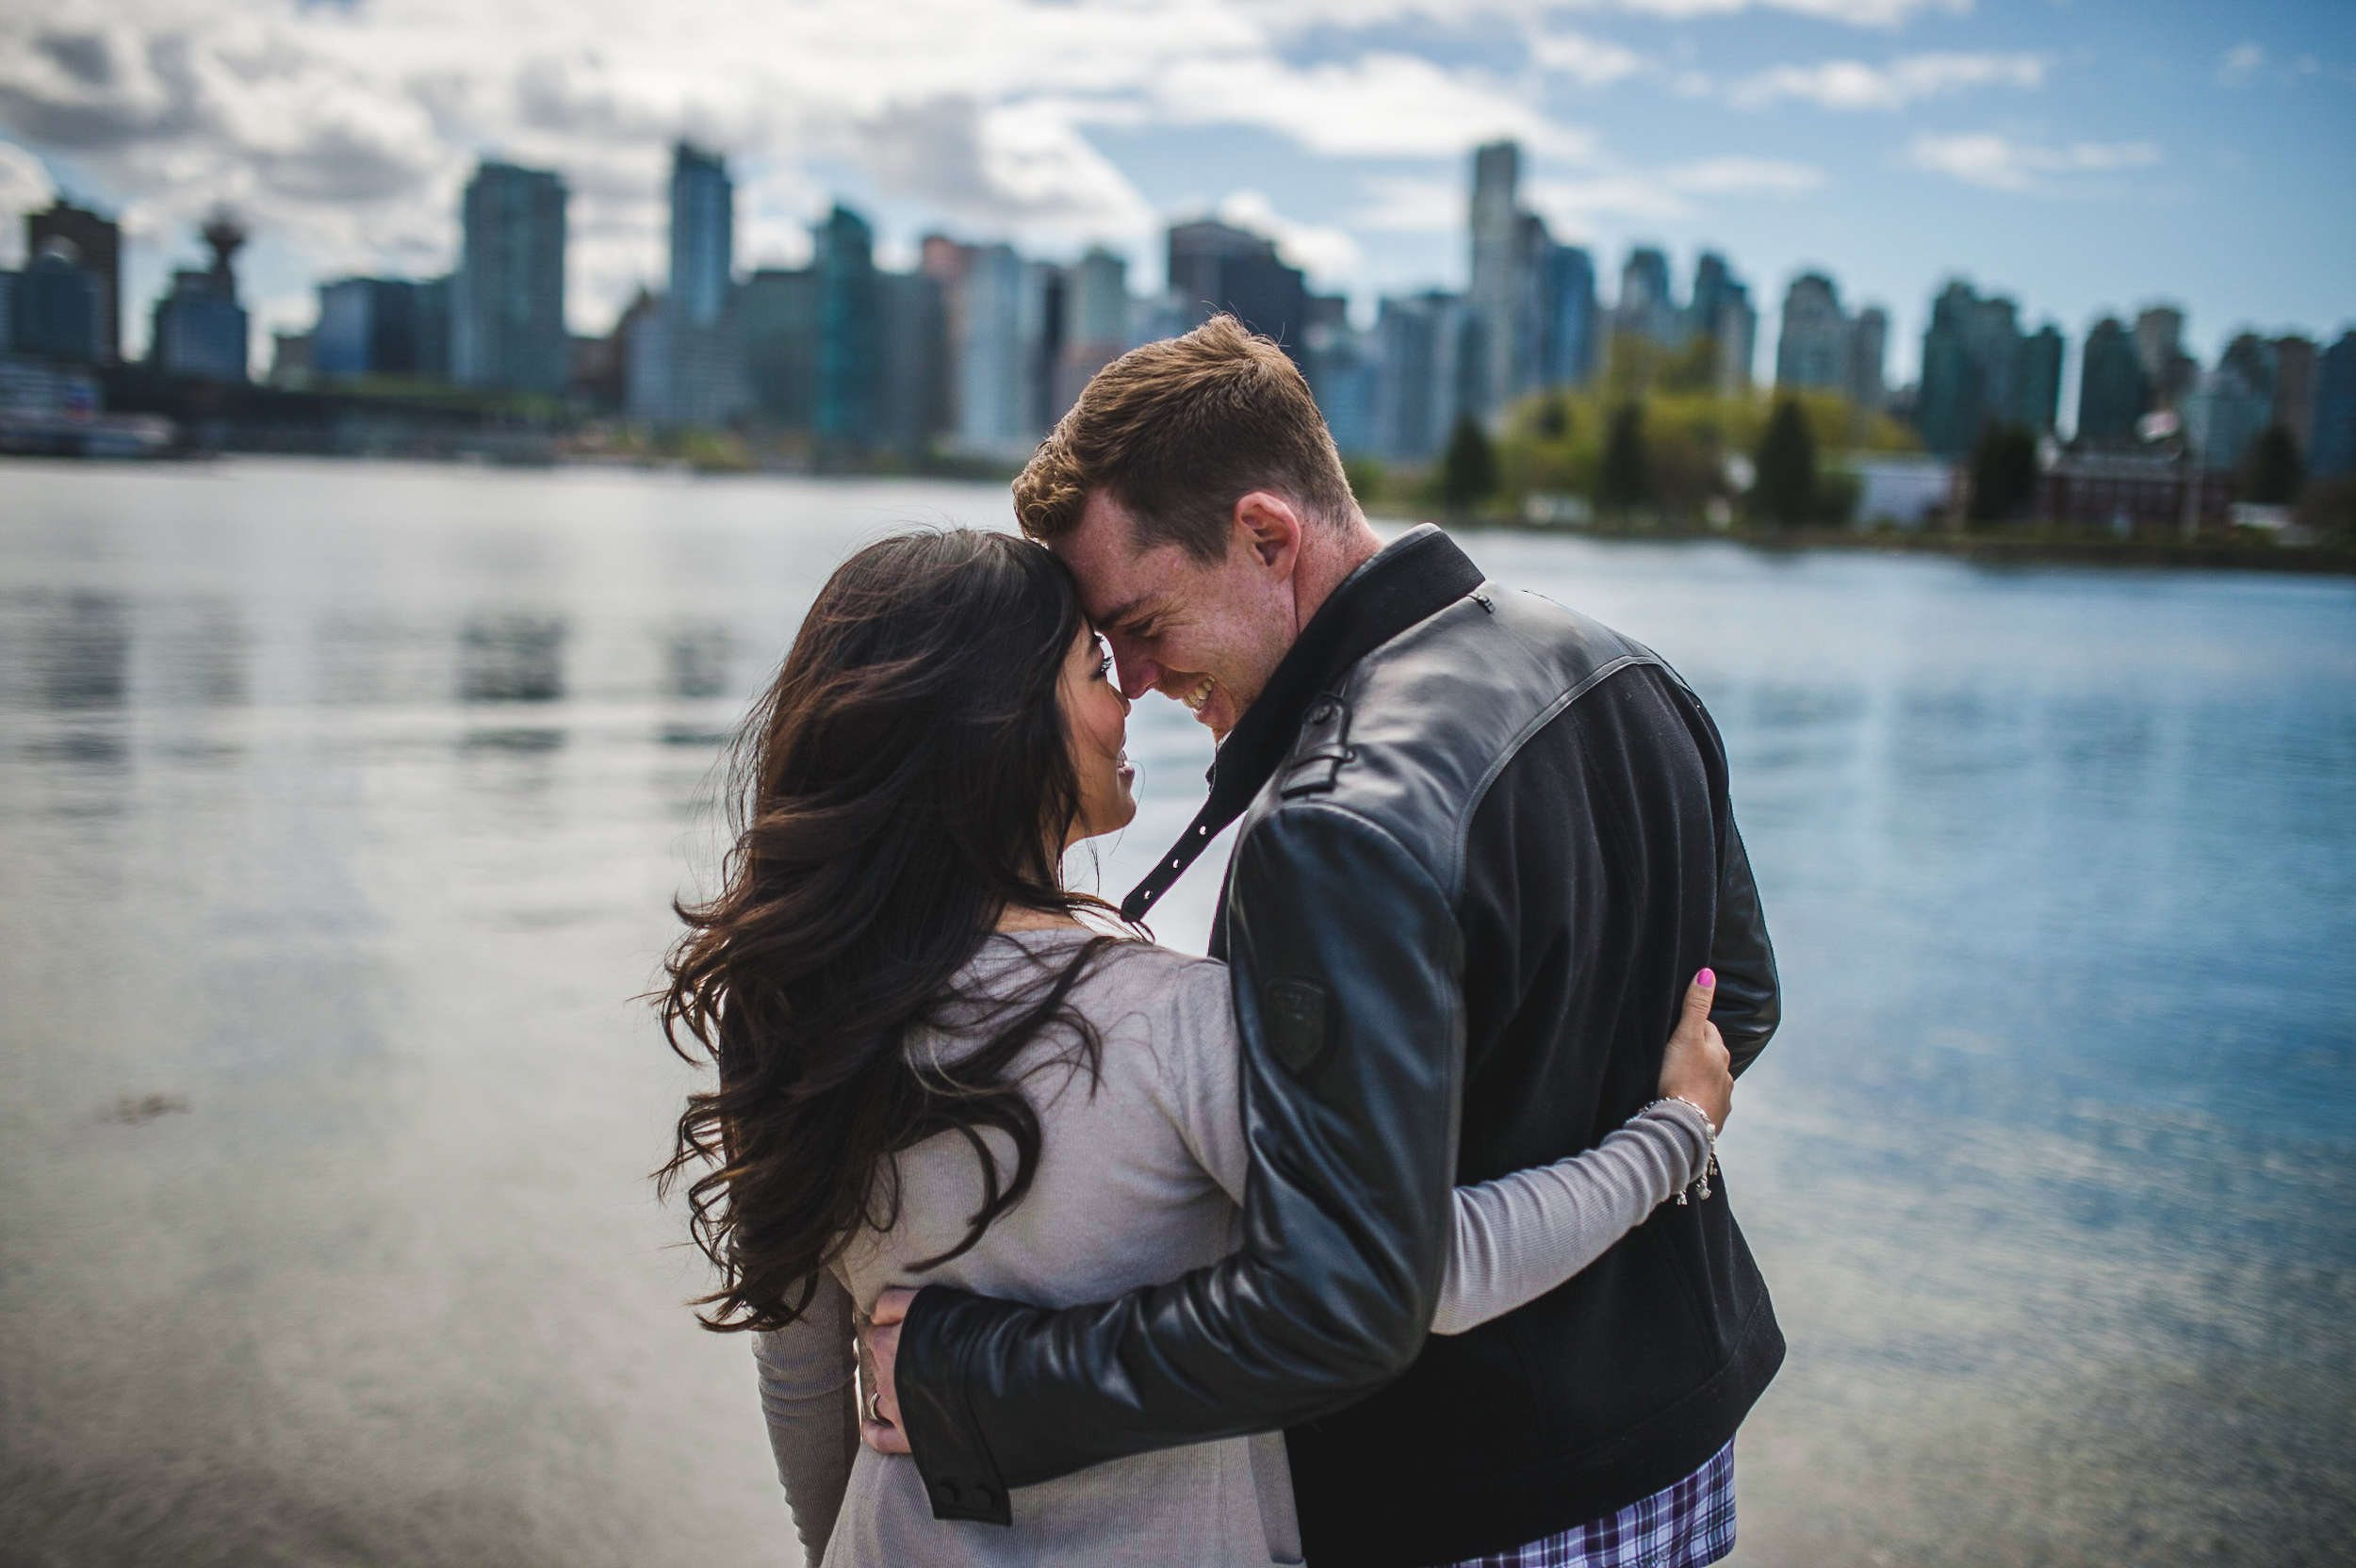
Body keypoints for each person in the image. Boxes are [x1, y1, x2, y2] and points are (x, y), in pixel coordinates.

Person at [859, 316, 1783, 1568]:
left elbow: (1337, 1312)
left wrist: (966, 1384)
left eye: (1138, 621)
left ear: (1265, 536)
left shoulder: (1333, 827)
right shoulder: (1625, 670)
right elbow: (1737, 1005)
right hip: (1685, 1442)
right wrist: (1654, 1132)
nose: (1127, 680)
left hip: (1477, 1503)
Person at [657, 528, 1739, 1566]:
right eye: (1094, 669)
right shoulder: (1168, 1022)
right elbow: (1424, 1273)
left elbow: (800, 1377)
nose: (1129, 695)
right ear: (1004, 727)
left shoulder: (789, 1007)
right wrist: (1670, 1134)